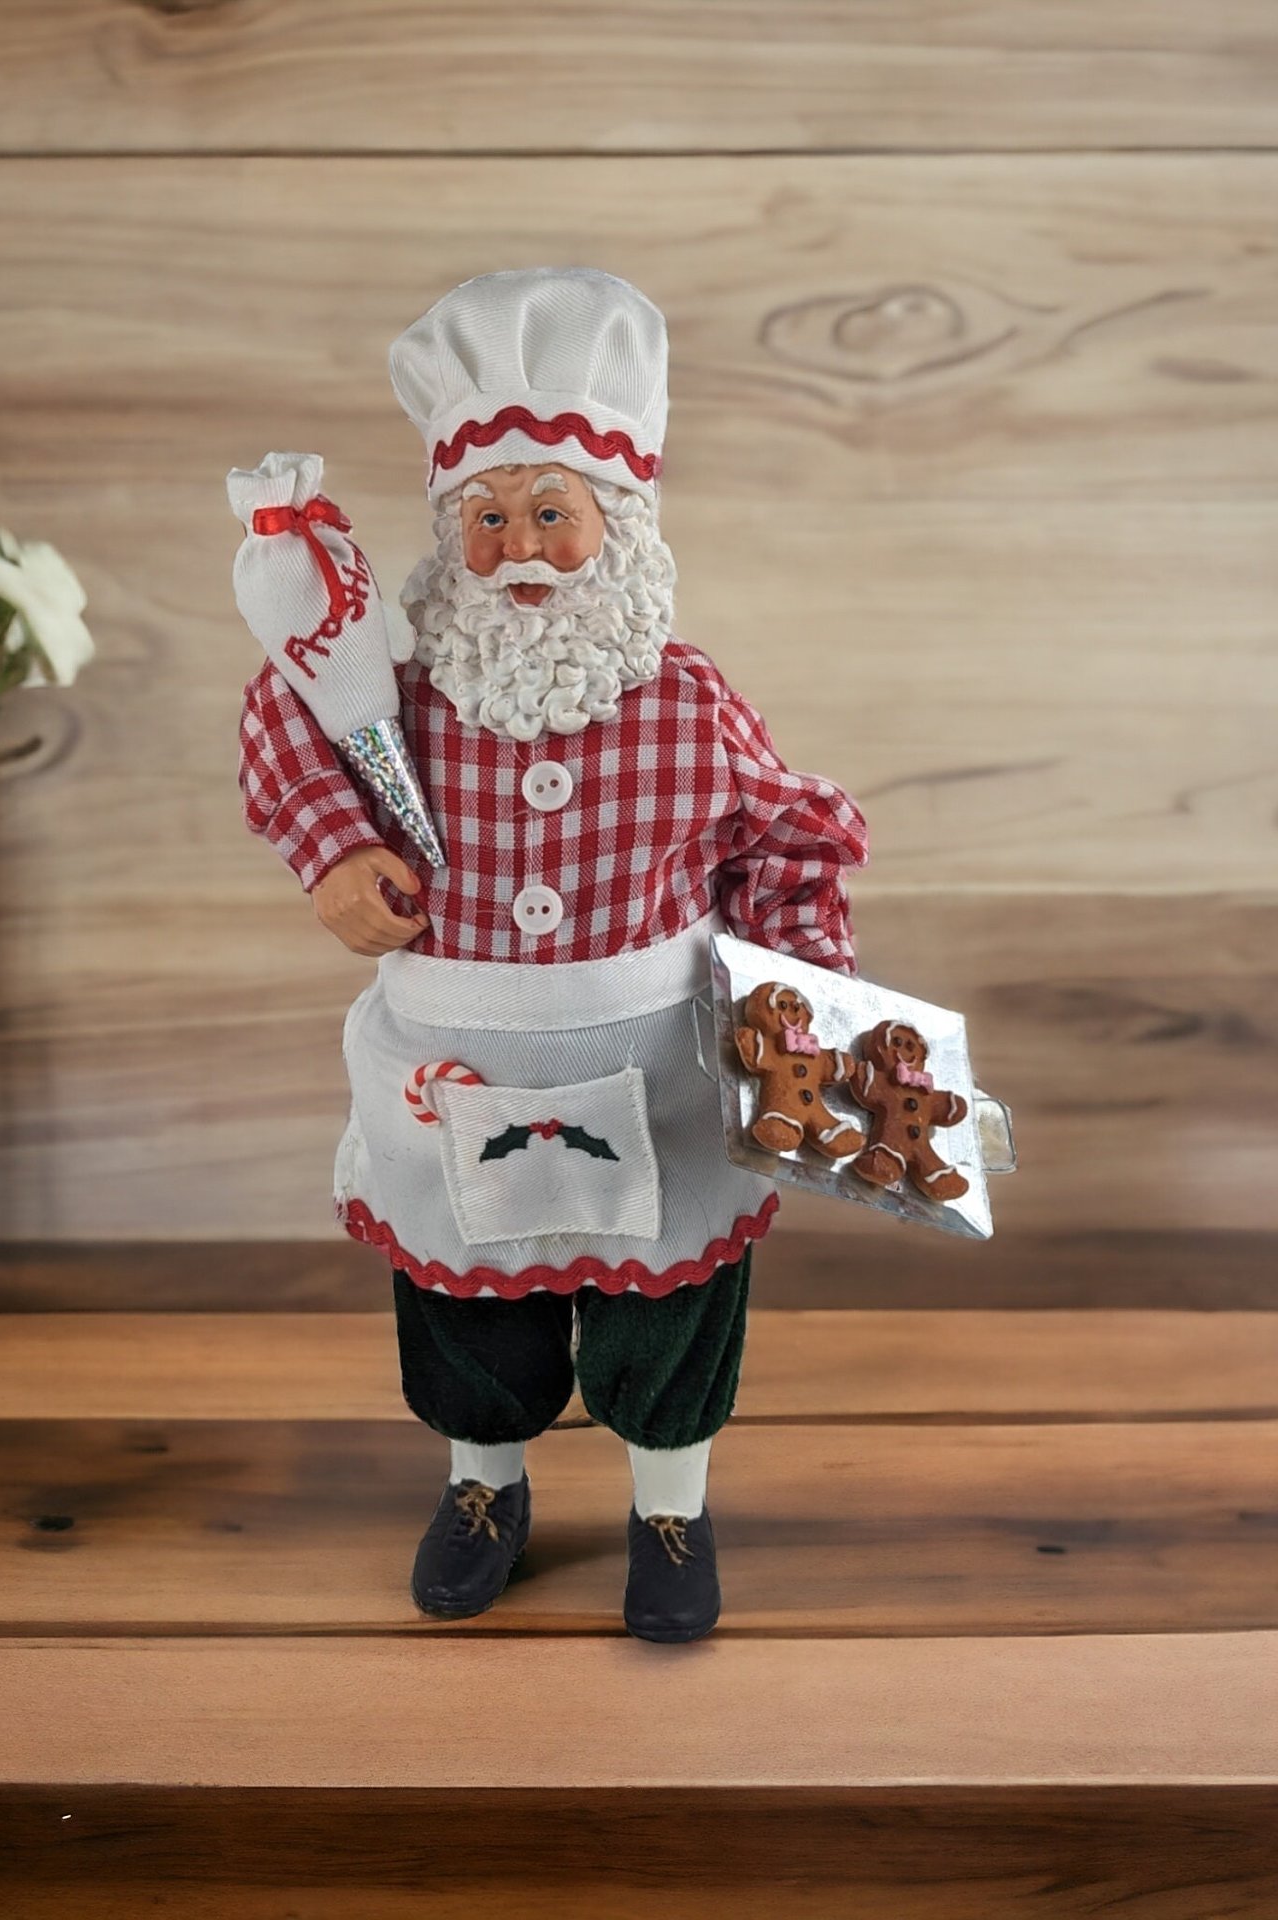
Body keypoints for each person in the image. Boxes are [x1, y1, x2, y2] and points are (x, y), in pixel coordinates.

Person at [238, 267, 867, 1642]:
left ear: (619, 527)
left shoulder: (689, 702)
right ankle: (483, 1485)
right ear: (447, 532)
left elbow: (789, 843)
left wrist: (802, 1001)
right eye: (487, 516)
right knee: (464, 1306)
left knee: (671, 1311)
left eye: (551, 513)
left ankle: (670, 1508)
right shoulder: (390, 694)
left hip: (664, 1071)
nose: (518, 547)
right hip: (448, 1068)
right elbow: (282, 717)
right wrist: (332, 854)